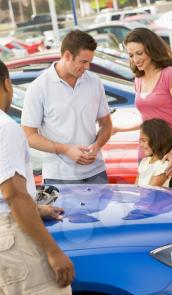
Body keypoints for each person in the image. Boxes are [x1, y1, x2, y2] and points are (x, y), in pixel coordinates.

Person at [0, 57, 75, 295]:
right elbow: (14, 195)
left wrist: (36, 208)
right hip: (9, 241)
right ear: (7, 84)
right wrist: (52, 250)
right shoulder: (3, 127)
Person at [21, 30, 112, 184]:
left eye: (89, 62)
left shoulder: (94, 82)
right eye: (83, 62)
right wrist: (66, 150)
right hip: (59, 176)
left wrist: (97, 146)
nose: (87, 67)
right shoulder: (38, 87)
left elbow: (106, 124)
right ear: (67, 56)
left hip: (96, 172)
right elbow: (29, 136)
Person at [113, 27, 172, 192]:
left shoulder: (170, 75)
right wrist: (118, 128)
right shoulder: (138, 80)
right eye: (131, 55)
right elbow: (148, 118)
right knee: (148, 209)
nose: (135, 59)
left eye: (139, 53)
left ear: (151, 49)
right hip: (148, 156)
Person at [136, 118, 172, 187]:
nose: (141, 145)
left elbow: (149, 193)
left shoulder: (163, 165)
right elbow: (135, 189)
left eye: (144, 140)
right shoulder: (144, 161)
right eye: (140, 141)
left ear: (156, 140)